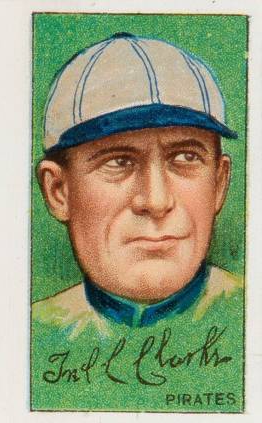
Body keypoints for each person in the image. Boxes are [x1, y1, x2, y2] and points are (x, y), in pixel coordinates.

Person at [33, 32, 242, 337]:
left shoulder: (249, 313)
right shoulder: (29, 331)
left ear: (219, 183)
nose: (156, 201)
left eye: (186, 156)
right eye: (118, 161)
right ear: (58, 191)